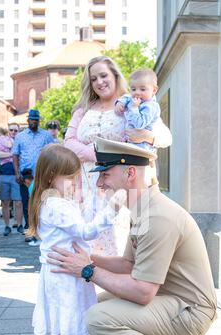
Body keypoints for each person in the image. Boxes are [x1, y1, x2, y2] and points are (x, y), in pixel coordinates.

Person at [47, 137, 217, 335]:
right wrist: (86, 258)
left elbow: (142, 292)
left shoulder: (158, 217)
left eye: (105, 174)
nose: (100, 183)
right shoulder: (143, 209)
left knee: (98, 318)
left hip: (190, 312)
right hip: (173, 302)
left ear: (129, 173)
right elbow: (127, 265)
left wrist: (87, 270)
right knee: (92, 304)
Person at [29, 144, 123, 335]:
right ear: (51, 176)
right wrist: (112, 209)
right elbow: (86, 231)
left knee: (63, 329)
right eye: (70, 178)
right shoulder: (58, 206)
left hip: (58, 274)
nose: (75, 182)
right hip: (68, 275)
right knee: (78, 329)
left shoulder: (48, 201)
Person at [64, 56, 172, 256]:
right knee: (90, 243)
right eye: (94, 78)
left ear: (115, 75)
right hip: (88, 186)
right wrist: (97, 155)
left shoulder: (133, 103)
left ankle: (119, 283)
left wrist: (146, 136)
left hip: (122, 184)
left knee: (119, 240)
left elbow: (166, 138)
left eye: (103, 75)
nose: (99, 82)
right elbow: (68, 141)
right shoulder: (83, 109)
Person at [12, 109, 54, 235]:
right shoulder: (20, 136)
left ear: (39, 120)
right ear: (28, 120)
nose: (34, 122)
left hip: (42, 175)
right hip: (25, 176)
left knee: (42, 202)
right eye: (31, 119)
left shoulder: (46, 135)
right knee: (27, 203)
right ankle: (29, 230)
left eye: (36, 120)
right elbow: (15, 155)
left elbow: (52, 153)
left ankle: (41, 230)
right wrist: (17, 173)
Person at [115, 68, 160, 152]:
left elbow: (139, 125)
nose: (137, 92)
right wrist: (120, 103)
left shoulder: (151, 107)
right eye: (133, 89)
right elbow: (127, 97)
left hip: (142, 147)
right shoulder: (135, 98)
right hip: (130, 144)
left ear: (154, 90)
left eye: (142, 89)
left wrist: (134, 108)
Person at [0, 128, 23, 236]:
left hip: (16, 175)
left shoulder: (18, 143)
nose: (13, 132)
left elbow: (20, 155)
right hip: (2, 175)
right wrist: (13, 154)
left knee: (18, 202)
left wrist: (11, 153)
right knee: (5, 202)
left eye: (15, 130)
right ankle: (7, 226)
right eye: (11, 130)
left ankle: (19, 225)